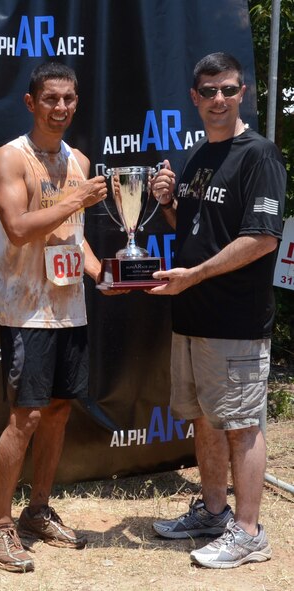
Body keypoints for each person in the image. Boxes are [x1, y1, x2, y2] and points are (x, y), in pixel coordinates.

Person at [149, 52, 286, 569]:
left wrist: (196, 275)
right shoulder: (200, 156)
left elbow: (261, 239)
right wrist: (166, 203)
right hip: (192, 316)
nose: (218, 100)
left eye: (227, 90)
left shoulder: (261, 155)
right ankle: (212, 512)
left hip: (236, 320)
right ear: (194, 98)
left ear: (243, 92)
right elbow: (196, 230)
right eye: (208, 92)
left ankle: (249, 532)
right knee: (207, 421)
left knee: (242, 426)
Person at [0, 62, 111, 573]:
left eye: (69, 99)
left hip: (69, 307)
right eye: (51, 99)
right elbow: (17, 228)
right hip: (25, 307)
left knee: (58, 411)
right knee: (27, 417)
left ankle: (37, 508)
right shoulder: (9, 158)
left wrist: (104, 275)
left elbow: (73, 240)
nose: (61, 108)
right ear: (31, 103)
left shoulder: (78, 159)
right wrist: (76, 197)